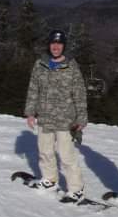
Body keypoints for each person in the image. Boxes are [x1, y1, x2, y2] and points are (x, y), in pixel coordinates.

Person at [24, 29, 88, 203]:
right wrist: (30, 112)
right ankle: (49, 180)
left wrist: (82, 117)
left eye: (59, 44)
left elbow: (79, 92)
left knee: (66, 156)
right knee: (45, 151)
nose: (56, 47)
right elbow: (33, 89)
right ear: (49, 45)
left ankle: (76, 189)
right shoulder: (40, 64)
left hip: (65, 119)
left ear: (63, 46)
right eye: (53, 43)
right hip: (45, 117)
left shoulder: (71, 65)